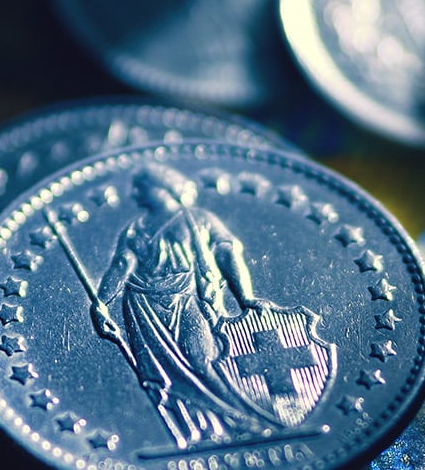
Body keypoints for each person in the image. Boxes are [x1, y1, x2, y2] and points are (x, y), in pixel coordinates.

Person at [93, 163, 285, 449]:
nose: (134, 194)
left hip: (187, 298)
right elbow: (121, 265)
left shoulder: (198, 218)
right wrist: (100, 304)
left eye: (141, 187)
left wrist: (244, 296)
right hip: (142, 305)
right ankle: (194, 433)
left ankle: (245, 421)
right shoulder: (135, 228)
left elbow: (227, 251)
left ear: (161, 186)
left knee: (202, 360)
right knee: (158, 375)